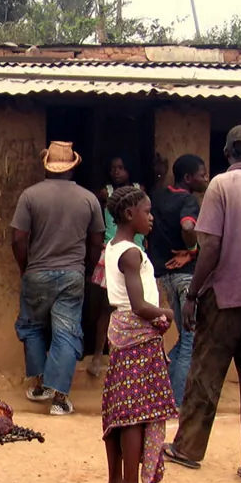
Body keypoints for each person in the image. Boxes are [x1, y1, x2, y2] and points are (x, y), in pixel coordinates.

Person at [164, 126, 241, 483]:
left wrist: (194, 294)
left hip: (226, 294)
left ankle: (188, 449)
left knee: (206, 373)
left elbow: (211, 246)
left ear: (228, 151)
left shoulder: (220, 186)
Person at [11, 141, 104, 416]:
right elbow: (96, 242)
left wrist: (24, 267)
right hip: (72, 274)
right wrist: (85, 269)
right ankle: (60, 400)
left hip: (37, 271)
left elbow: (18, 238)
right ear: (73, 167)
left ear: (47, 166)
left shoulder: (29, 196)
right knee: (66, 332)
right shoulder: (89, 199)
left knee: (33, 328)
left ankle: (40, 387)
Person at [100, 186, 177, 483]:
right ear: (130, 214)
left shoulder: (113, 247)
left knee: (120, 409)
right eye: (147, 211)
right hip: (136, 335)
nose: (151, 217)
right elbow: (139, 304)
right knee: (136, 413)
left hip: (122, 332)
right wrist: (168, 314)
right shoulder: (131, 253)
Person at [147, 154, 208, 407]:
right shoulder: (189, 200)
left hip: (165, 276)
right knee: (190, 342)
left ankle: (156, 382)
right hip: (186, 277)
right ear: (187, 178)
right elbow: (187, 226)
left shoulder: (158, 196)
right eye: (202, 175)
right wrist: (193, 250)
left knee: (184, 337)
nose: (206, 179)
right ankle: (176, 402)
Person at [88, 156, 144, 376]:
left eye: (121, 168)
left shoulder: (140, 190)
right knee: (107, 308)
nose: (117, 172)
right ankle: (97, 355)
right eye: (113, 169)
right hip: (110, 254)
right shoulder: (105, 192)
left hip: (135, 253)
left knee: (135, 307)